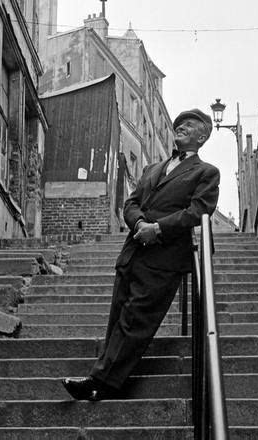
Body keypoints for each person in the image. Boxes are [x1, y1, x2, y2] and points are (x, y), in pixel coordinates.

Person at [62, 108, 220, 401]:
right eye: (179, 123)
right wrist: (139, 224)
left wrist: (158, 229)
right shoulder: (152, 169)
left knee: (136, 320)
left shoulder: (206, 172)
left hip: (164, 259)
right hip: (133, 251)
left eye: (190, 124)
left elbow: (198, 212)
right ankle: (103, 375)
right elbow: (131, 203)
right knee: (119, 317)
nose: (181, 126)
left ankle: (103, 382)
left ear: (203, 136)